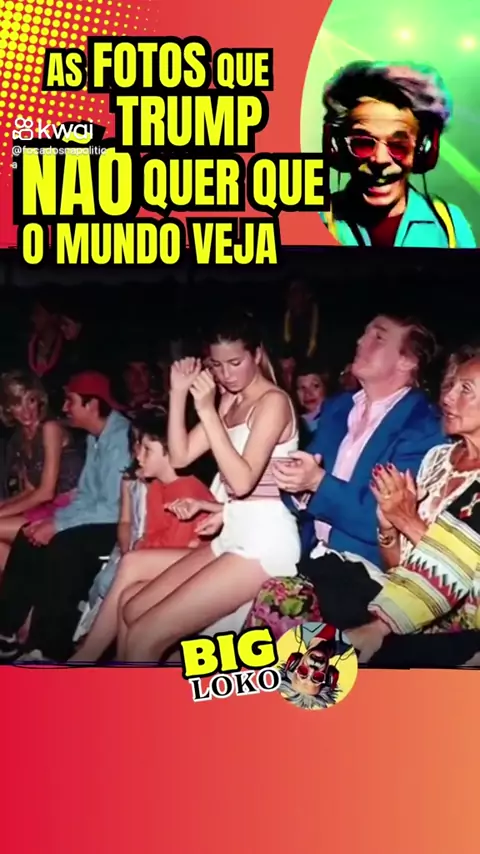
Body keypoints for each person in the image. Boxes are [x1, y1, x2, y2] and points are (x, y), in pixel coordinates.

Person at [101, 310, 301, 664]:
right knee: (133, 607)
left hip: (264, 544)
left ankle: (131, 699)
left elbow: (241, 482)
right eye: (217, 365)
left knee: (146, 635)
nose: (226, 375)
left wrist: (208, 412)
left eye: (235, 363)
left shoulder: (273, 402)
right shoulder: (230, 399)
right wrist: (179, 393)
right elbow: (180, 457)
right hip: (233, 534)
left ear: (256, 354)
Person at [245, 314, 446, 637]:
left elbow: (385, 517)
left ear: (407, 361)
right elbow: (299, 482)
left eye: (378, 337)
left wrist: (316, 483)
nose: (360, 341)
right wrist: (298, 485)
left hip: (366, 574)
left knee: (274, 613)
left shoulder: (423, 425)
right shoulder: (338, 409)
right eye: (364, 333)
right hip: (309, 555)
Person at [312, 345, 480, 669]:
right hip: (407, 601)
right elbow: (399, 569)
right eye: (450, 386)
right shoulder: (437, 459)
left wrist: (407, 519)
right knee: (285, 596)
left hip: (460, 621)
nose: (447, 397)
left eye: (465, 390)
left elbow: (460, 564)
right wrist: (388, 526)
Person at [0, 371, 131, 662]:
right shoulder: (95, 438)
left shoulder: (120, 438)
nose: (64, 407)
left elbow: (114, 507)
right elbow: (84, 496)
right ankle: (6, 630)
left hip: (119, 523)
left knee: (62, 547)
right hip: (98, 516)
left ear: (91, 405)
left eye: (71, 401)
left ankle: (47, 647)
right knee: (29, 534)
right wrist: (51, 522)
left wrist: (58, 525)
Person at [69, 410, 217, 663]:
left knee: (130, 567)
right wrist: (141, 545)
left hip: (199, 568)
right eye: (138, 447)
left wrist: (141, 548)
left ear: (170, 452)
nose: (138, 455)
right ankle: (123, 665)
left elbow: (174, 546)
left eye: (147, 449)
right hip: (167, 564)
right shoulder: (157, 487)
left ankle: (88, 655)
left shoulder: (187, 489)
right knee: (127, 597)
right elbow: (152, 536)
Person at [321, 61, 476, 248]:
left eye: (398, 145)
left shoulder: (450, 224)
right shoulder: (315, 219)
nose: (380, 160)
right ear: (336, 146)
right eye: (362, 143)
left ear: (423, 148)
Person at [0, 371, 84, 572]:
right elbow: (29, 490)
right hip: (43, 507)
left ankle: (28, 578)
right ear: (8, 408)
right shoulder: (20, 437)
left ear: (39, 399)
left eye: (30, 400)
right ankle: (22, 584)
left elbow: (46, 492)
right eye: (17, 404)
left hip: (67, 510)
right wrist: (2, 506)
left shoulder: (50, 428)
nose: (26, 411)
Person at [281, 280, 319, 360]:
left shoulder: (312, 308)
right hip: (294, 350)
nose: (295, 297)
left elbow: (313, 337)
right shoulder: (289, 313)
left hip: (308, 350)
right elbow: (287, 337)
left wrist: (312, 344)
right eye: (293, 293)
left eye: (298, 292)